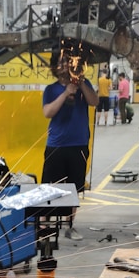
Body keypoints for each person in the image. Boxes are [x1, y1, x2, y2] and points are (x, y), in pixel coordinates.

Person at [41, 49, 99, 241]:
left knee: (72, 189)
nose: (65, 65)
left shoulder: (83, 84)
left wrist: (80, 83)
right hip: (56, 146)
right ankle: (46, 225)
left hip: (78, 144)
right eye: (61, 62)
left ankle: (70, 225)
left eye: (68, 61)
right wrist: (66, 93)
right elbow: (48, 112)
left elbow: (94, 101)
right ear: (55, 67)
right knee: (51, 187)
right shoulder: (51, 89)